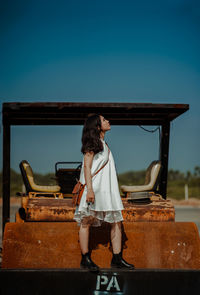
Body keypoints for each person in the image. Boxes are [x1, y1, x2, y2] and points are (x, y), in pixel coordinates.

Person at [74, 113, 135, 271]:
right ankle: (85, 258)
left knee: (116, 221)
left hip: (107, 190)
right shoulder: (91, 144)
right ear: (98, 126)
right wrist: (90, 191)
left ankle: (117, 258)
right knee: (86, 221)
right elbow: (86, 167)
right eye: (104, 120)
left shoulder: (104, 144)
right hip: (94, 189)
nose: (108, 121)